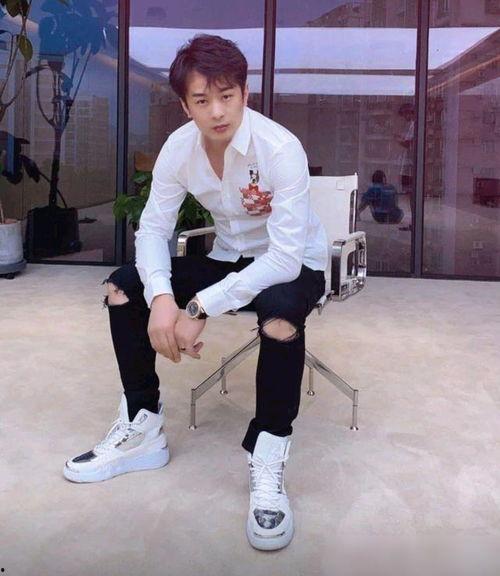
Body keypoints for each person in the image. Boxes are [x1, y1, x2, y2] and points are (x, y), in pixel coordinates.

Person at [63, 34, 327, 551]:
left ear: (245, 94)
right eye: (202, 100)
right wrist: (163, 298)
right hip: (229, 256)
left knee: (279, 316)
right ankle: (142, 426)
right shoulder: (179, 148)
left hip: (295, 264)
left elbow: (283, 259)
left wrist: (201, 304)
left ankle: (268, 455)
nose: (217, 111)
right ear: (185, 106)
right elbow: (153, 230)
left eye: (227, 96)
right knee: (123, 288)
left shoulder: (280, 148)